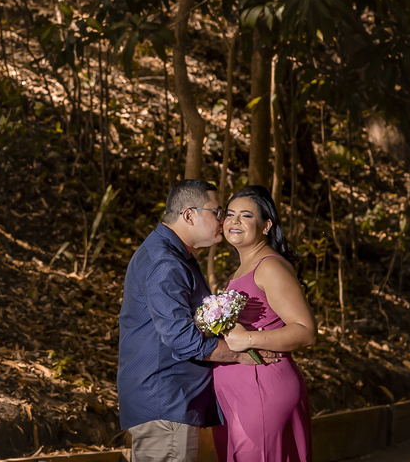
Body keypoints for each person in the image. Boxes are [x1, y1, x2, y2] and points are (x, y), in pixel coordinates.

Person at [118, 179, 269, 462]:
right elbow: (182, 338)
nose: (223, 220)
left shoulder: (172, 254)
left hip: (167, 401)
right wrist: (240, 354)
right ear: (189, 215)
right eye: (217, 211)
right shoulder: (164, 261)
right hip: (166, 401)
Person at [214, 185, 315, 462]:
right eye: (230, 214)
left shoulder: (270, 267)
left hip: (262, 390)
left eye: (245, 215)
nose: (234, 221)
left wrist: (247, 340)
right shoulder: (241, 270)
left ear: (266, 225)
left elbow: (306, 331)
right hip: (238, 396)